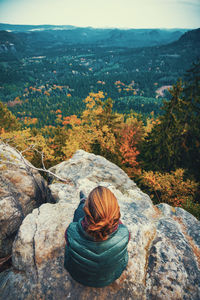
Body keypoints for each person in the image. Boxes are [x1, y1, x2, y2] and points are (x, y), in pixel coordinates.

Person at [64, 186, 130, 287]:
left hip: (79, 276)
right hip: (110, 277)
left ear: (87, 210)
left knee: (78, 213)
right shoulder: (125, 233)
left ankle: (83, 201)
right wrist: (110, 217)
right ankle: (93, 206)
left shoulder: (71, 231)